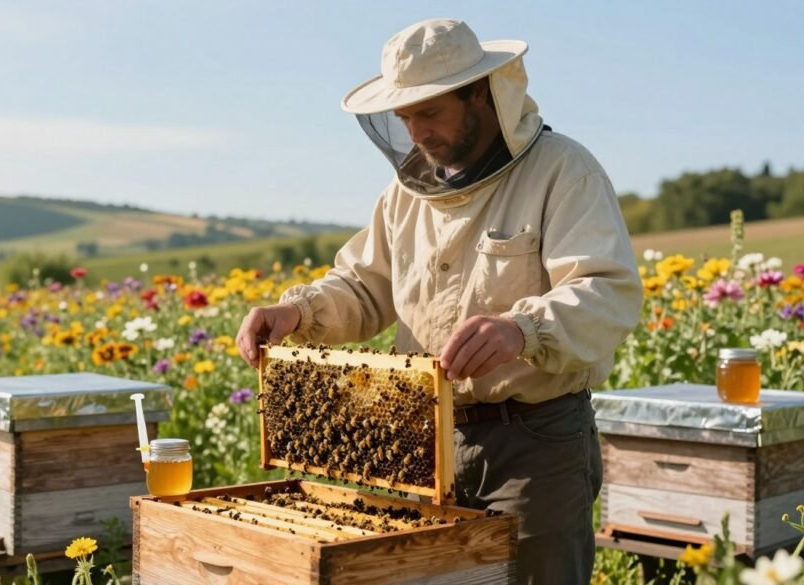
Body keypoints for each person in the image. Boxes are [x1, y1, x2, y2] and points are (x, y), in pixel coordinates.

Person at [236, 18, 642, 584]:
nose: (415, 132)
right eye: (404, 117)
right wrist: (298, 312)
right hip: (427, 443)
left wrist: (520, 329)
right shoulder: (403, 197)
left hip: (535, 441)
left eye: (429, 112)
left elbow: (606, 291)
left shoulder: (562, 171)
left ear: (483, 95)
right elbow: (363, 285)